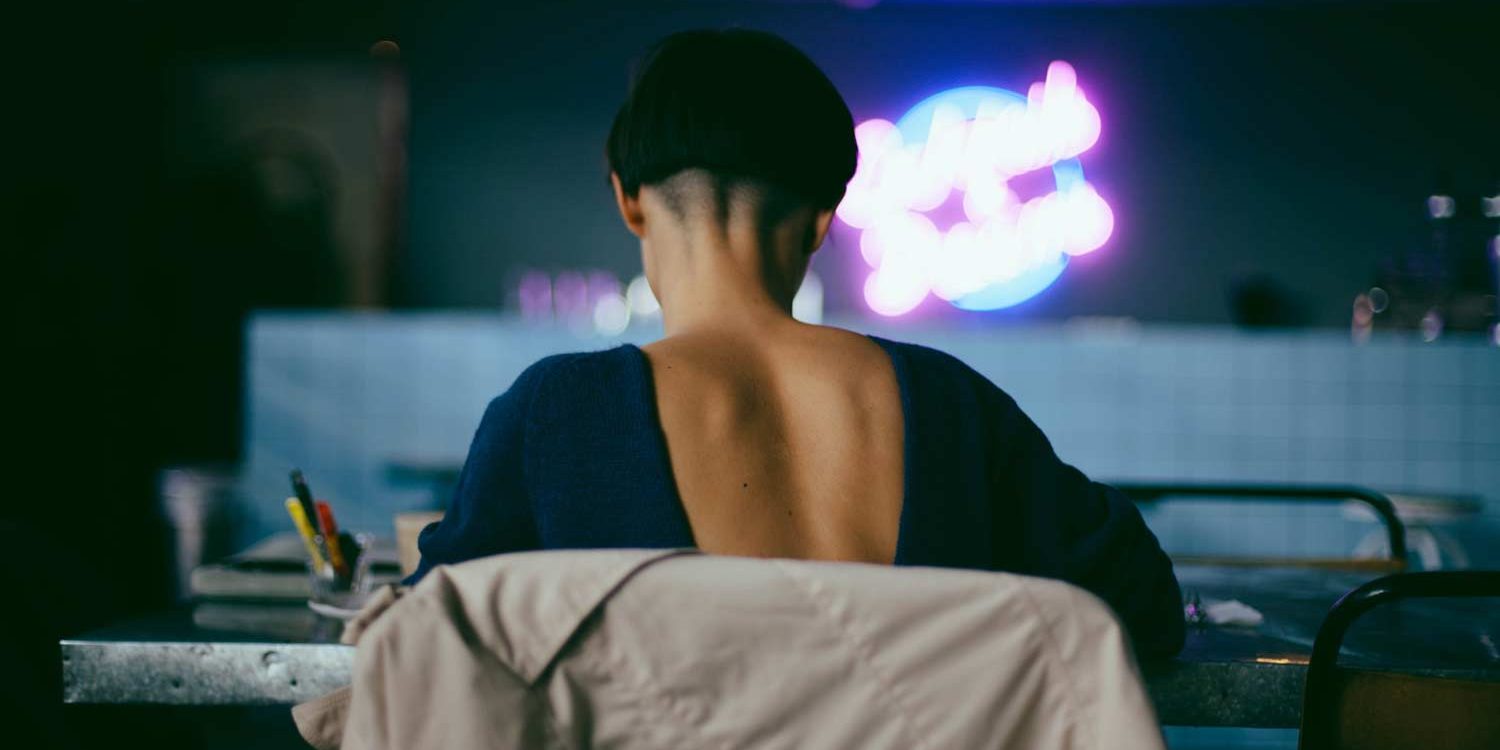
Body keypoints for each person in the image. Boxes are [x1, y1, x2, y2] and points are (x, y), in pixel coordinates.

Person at [409, 29, 1184, 657]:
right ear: (821, 220)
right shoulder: (950, 405)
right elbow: (1145, 604)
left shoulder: (557, 413)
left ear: (630, 203)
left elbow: (425, 643)